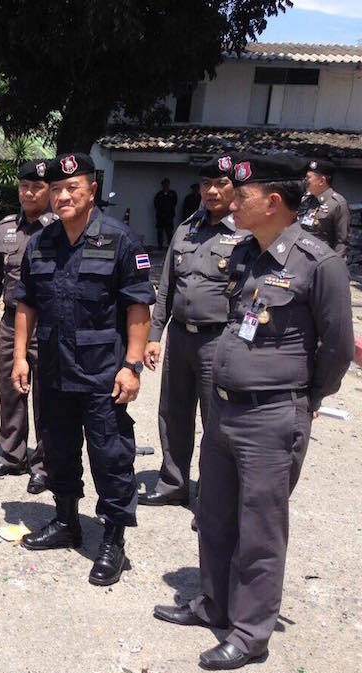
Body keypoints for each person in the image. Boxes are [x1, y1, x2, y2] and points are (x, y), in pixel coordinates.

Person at [153, 153, 353, 670]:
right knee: (215, 516)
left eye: (242, 196)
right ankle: (214, 603)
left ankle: (249, 632)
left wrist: (305, 403)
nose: (231, 203)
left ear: (275, 202)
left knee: (260, 528)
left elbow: (335, 349)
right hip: (222, 412)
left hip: (271, 417)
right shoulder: (245, 253)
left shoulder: (318, 264)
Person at [11, 152, 155, 586]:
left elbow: (138, 305)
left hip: (102, 373)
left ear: (92, 191)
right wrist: (21, 356)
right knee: (57, 447)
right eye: (56, 189)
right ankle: (66, 519)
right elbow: (26, 302)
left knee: (110, 455)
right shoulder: (42, 242)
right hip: (53, 369)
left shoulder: (121, 240)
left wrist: (133, 366)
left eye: (72, 187)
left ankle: (112, 538)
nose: (63, 195)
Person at [139, 156, 242, 510]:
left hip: (220, 341)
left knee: (216, 422)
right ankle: (174, 483)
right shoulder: (186, 229)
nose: (212, 191)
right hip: (180, 337)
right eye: (205, 184)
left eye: (221, 184)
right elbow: (166, 287)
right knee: (173, 413)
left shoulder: (245, 236)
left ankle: (214, 499)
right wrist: (154, 335)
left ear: (234, 187)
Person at [0, 159, 57, 494]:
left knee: (46, 397)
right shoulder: (5, 228)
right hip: (12, 324)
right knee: (10, 392)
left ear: (49, 190)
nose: (28, 192)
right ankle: (12, 455)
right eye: (24, 186)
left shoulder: (60, 228)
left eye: (36, 186)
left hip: (48, 325)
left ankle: (44, 465)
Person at [298, 158, 350, 258]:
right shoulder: (305, 199)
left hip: (320, 261)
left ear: (322, 181)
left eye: (308, 177)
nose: (305, 180)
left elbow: (341, 242)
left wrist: (333, 268)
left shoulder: (338, 204)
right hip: (300, 260)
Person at [154, 178, 178, 248]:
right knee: (160, 232)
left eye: (167, 184)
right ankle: (160, 246)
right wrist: (160, 212)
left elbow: (174, 203)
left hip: (169, 216)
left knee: (169, 232)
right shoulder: (159, 194)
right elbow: (155, 204)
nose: (166, 185)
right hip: (160, 216)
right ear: (162, 185)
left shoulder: (172, 193)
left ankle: (170, 247)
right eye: (164, 184)